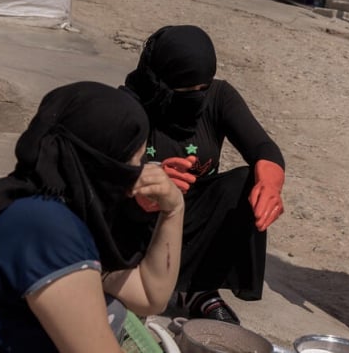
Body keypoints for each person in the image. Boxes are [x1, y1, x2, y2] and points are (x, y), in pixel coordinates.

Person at [0, 82, 184, 352]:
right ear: (103, 163)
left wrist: (174, 209)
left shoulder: (29, 200)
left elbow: (149, 296)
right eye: (135, 161)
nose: (143, 172)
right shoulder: (47, 229)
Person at [118, 24, 287, 326]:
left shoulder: (218, 96)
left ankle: (198, 289)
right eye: (185, 91)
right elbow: (106, 175)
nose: (196, 97)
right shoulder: (129, 104)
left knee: (246, 181)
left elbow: (262, 146)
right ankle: (134, 282)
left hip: (193, 214)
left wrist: (271, 183)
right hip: (141, 218)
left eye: (201, 89)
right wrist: (147, 181)